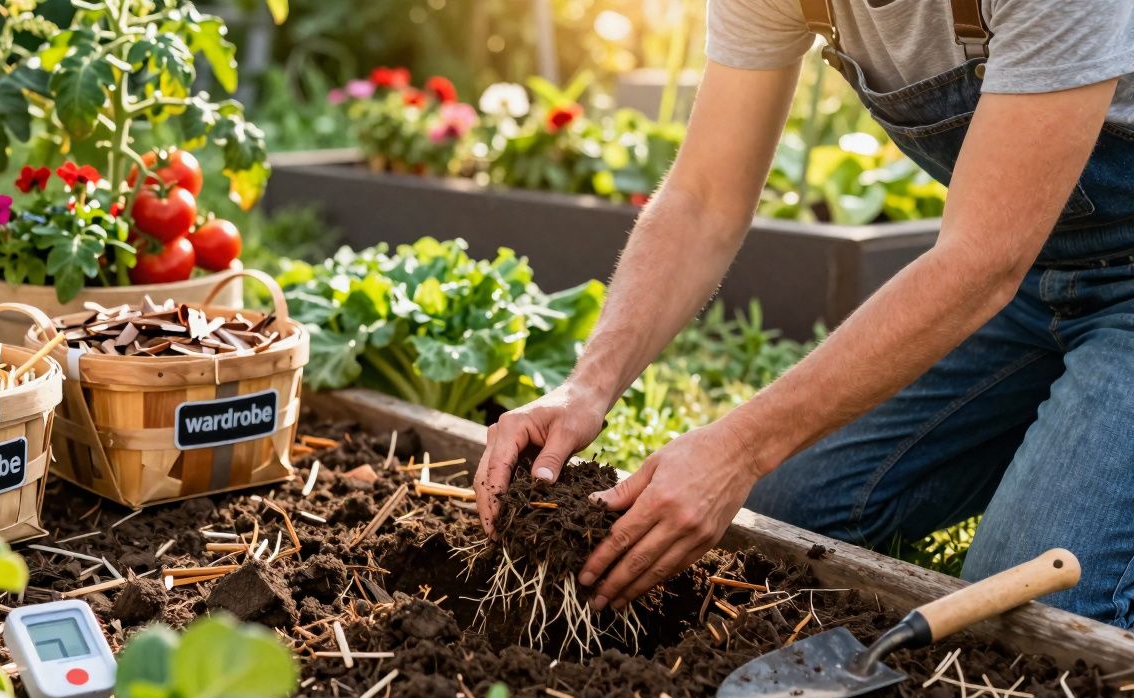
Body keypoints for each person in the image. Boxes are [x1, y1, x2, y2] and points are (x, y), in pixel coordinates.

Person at [474, 0, 1134, 628]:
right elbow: (703, 199)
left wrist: (736, 448)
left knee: (1032, 600)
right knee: (783, 515)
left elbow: (983, 261)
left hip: (1035, 272)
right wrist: (587, 384)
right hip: (1025, 281)